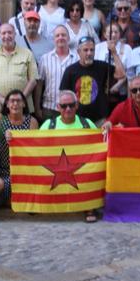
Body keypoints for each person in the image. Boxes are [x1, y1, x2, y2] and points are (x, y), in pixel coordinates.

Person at [41, 90, 101, 222]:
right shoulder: (49, 125)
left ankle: (89, 208)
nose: (68, 109)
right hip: (54, 169)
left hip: (81, 169)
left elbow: (99, 146)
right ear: (58, 107)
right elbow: (35, 147)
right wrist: (13, 138)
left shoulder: (87, 124)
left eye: (71, 105)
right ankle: (40, 203)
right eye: (64, 106)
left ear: (77, 105)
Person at [0, 89, 38, 204]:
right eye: (12, 101)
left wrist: (16, 140)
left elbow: (34, 149)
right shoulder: (0, 119)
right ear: (7, 104)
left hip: (23, 170)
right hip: (2, 170)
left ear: (24, 104)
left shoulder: (31, 122)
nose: (15, 104)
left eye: (18, 101)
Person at [59, 36, 123, 124]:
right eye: (85, 50)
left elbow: (121, 74)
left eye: (92, 50)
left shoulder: (102, 67)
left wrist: (114, 53)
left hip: (100, 119)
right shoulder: (70, 70)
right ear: (78, 52)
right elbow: (63, 95)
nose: (89, 53)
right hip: (78, 120)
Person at [0, 23, 39, 118]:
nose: (7, 36)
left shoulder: (27, 54)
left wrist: (20, 99)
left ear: (15, 34)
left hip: (23, 108)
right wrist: (2, 100)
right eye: (3, 33)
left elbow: (33, 79)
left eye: (10, 32)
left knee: (25, 128)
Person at [37, 25, 79, 119]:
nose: (60, 37)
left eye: (63, 35)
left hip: (70, 108)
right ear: (53, 39)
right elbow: (39, 84)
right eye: (57, 35)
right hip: (49, 108)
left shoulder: (77, 59)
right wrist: (37, 107)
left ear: (68, 38)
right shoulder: (45, 59)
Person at [95, 21, 132, 106]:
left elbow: (129, 72)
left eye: (116, 32)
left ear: (120, 34)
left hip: (120, 92)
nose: (113, 35)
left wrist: (118, 85)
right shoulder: (98, 47)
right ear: (105, 34)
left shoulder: (127, 48)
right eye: (111, 32)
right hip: (102, 90)